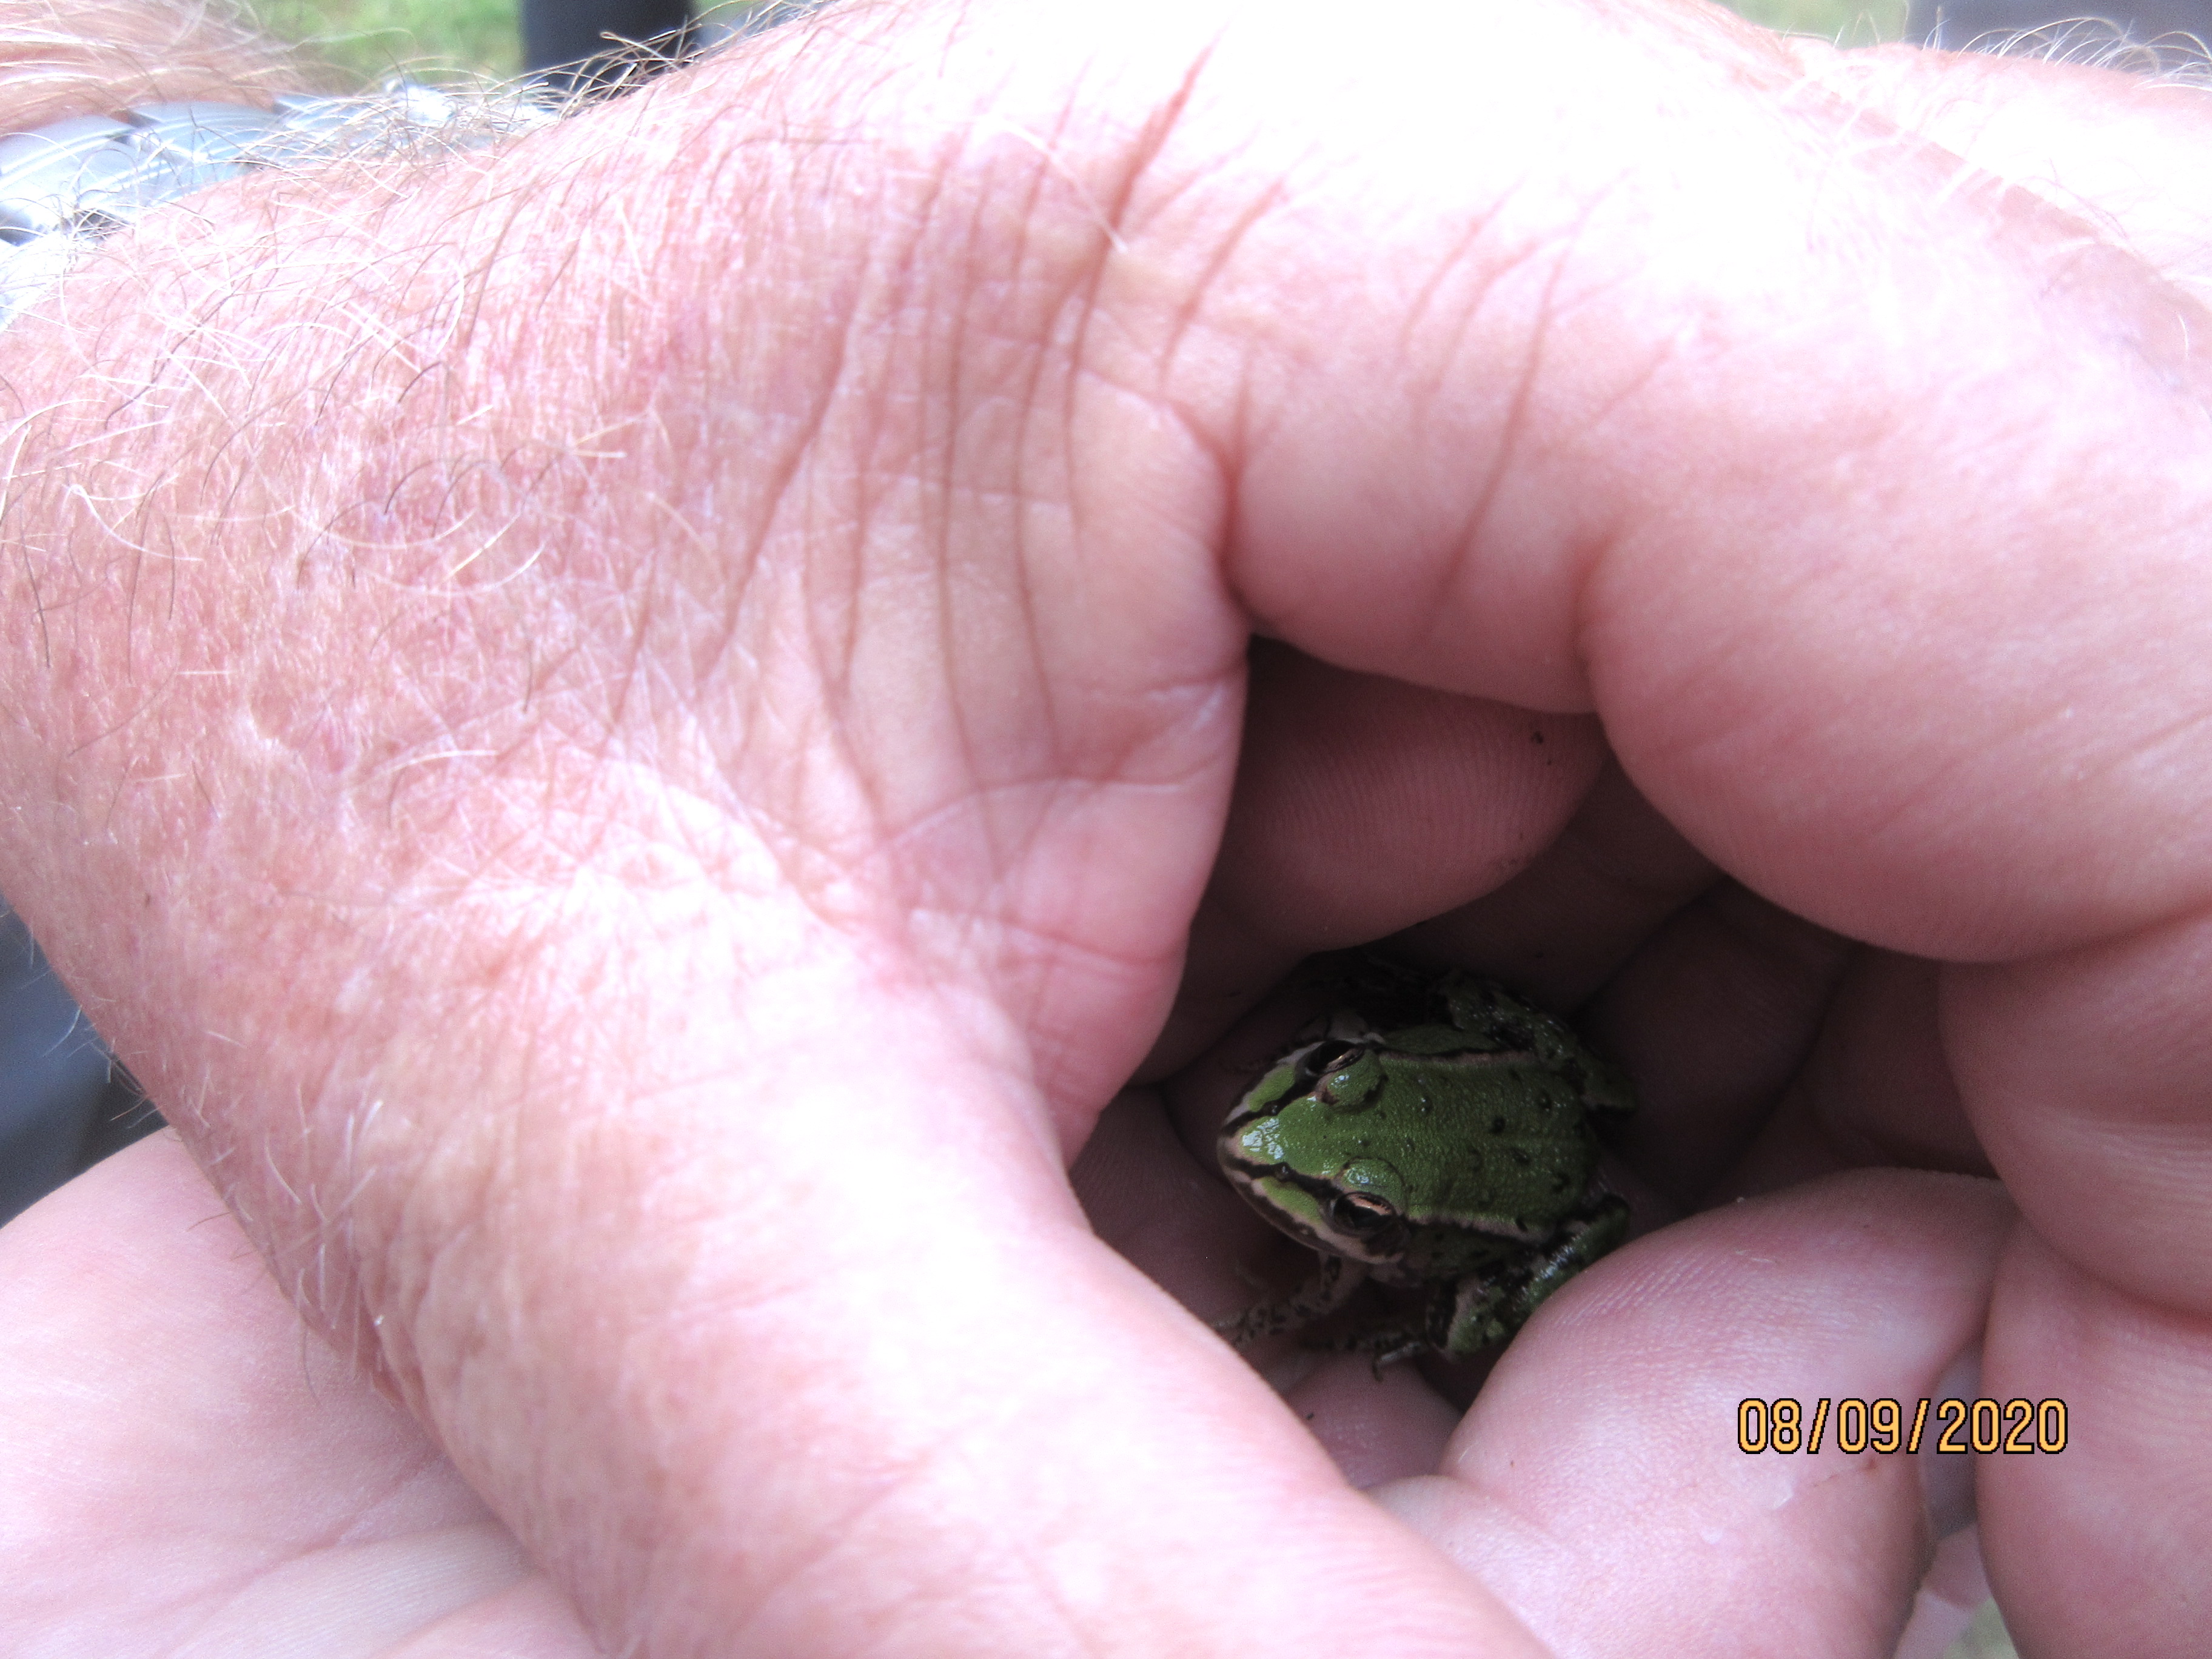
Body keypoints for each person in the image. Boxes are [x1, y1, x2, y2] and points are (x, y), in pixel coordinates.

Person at [2, 0, 2208, 1652]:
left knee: (1869, 1388)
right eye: (1308, 1122)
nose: (1266, 1144)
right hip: (1602, 1084)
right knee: (1874, 1389)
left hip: (1570, 1157)